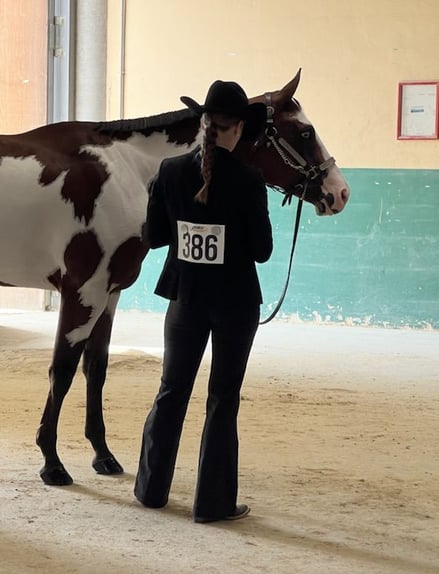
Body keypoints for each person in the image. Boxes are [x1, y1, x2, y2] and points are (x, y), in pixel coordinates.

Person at [133, 80, 273, 523]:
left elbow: (153, 237)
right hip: (234, 303)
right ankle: (212, 505)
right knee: (222, 397)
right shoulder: (251, 180)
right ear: (237, 130)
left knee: (171, 391)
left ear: (203, 123)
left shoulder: (170, 171)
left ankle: (151, 491)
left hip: (185, 299)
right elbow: (262, 251)